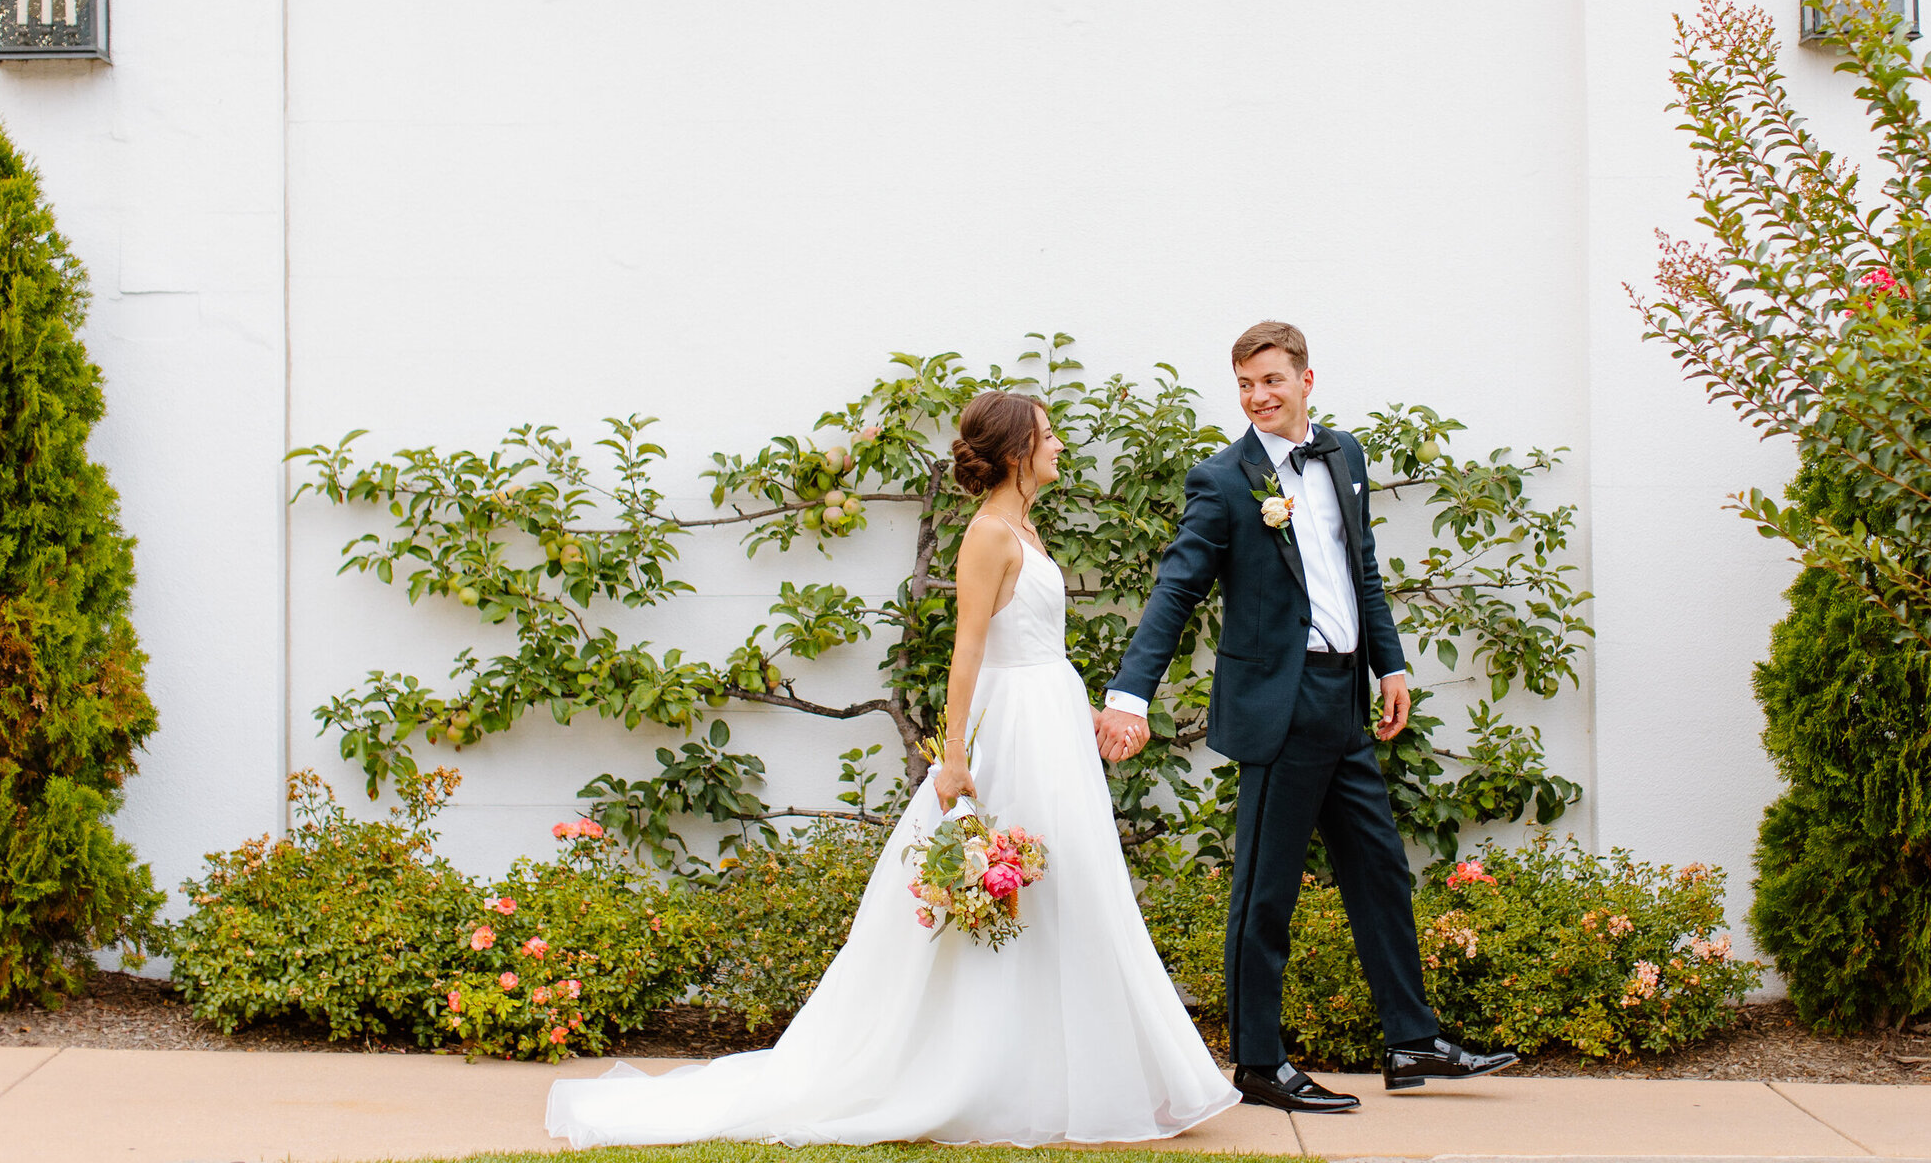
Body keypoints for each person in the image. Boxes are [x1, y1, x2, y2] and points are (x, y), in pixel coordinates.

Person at [545, 391, 1238, 1148]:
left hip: (1051, 721)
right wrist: (954, 758)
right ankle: (977, 1075)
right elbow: (966, 650)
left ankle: (1072, 1076)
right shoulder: (987, 535)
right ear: (1015, 451)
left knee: (1068, 893)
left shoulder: (1024, 524)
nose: (1060, 444)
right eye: (1047, 435)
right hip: (1013, 729)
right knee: (1010, 894)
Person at [1096, 322, 1517, 1114]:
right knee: (1267, 892)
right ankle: (1258, 1063)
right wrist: (1129, 694)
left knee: (1380, 869)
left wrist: (1388, 664)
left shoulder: (1345, 457)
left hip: (1344, 700)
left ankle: (1412, 1039)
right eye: (1245, 386)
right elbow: (1177, 589)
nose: (1258, 398)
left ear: (1306, 380)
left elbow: (1362, 569)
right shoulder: (1223, 481)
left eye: (1271, 382)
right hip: (1279, 709)